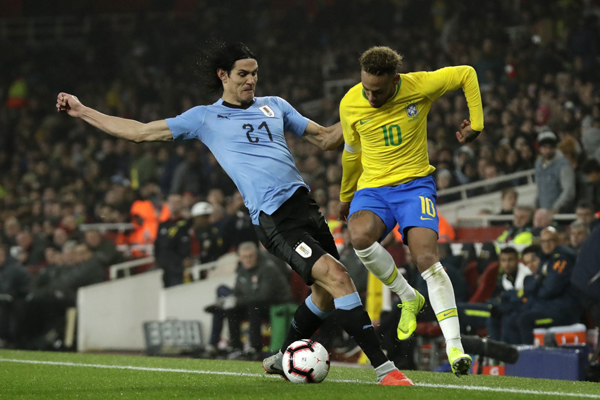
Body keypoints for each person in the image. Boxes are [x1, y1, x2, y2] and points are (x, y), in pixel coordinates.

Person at [55, 41, 411, 385]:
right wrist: (83, 110)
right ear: (223, 75)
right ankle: (385, 369)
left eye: (255, 73)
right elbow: (140, 132)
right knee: (338, 277)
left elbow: (327, 138)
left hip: (305, 207)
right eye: (243, 74)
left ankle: (282, 355)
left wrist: (366, 109)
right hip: (274, 218)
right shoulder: (205, 118)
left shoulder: (275, 105)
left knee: (325, 292)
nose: (251, 80)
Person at [338, 46, 483, 375]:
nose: (371, 96)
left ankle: (455, 346)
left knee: (426, 259)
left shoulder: (418, 86)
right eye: (366, 89)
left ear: (395, 80)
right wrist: (346, 194)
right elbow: (350, 153)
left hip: (415, 186)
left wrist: (478, 123)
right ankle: (408, 296)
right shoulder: (350, 102)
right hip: (372, 189)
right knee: (358, 236)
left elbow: (466, 74)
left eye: (378, 90)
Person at [503, 227, 581, 344]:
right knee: (510, 318)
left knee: (524, 320)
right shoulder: (544, 258)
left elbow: (550, 288)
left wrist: (538, 287)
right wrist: (539, 285)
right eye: (543, 241)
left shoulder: (562, 258)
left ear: (557, 241)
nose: (546, 244)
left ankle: (530, 357)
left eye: (550, 240)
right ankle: (513, 357)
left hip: (564, 311)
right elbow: (533, 285)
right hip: (547, 306)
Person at [155, 193, 191, 287]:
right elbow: (157, 245)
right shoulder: (162, 225)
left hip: (178, 267)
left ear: (182, 204)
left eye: (177, 202)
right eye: (172, 202)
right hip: (163, 267)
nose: (174, 205)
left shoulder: (187, 223)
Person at [535, 131, 575, 213]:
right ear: (540, 148)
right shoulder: (538, 164)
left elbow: (569, 191)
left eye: (551, 147)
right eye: (545, 147)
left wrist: (555, 208)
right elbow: (539, 188)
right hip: (544, 211)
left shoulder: (563, 164)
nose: (548, 150)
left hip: (560, 212)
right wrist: (536, 205)